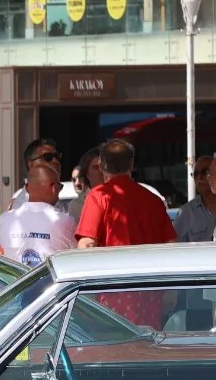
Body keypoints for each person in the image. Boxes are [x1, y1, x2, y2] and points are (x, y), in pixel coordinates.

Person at [75, 139, 176, 329]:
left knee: (114, 349)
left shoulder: (98, 197)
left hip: (112, 289)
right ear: (131, 164)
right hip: (150, 290)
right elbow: (171, 244)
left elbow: (87, 245)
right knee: (145, 349)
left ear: (102, 165)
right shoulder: (153, 200)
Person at [0, 166, 77, 266]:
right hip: (50, 281)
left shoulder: (4, 219)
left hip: (14, 280)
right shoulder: (66, 221)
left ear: (27, 188)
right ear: (54, 188)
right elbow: (75, 257)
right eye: (60, 186)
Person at [8, 138, 65, 209]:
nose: (55, 161)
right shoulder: (21, 206)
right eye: (48, 157)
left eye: (57, 156)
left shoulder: (62, 205)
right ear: (31, 165)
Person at [173, 156, 216, 242]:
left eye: (205, 172)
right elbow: (174, 247)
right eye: (196, 174)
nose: (199, 177)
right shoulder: (186, 212)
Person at [66, 147, 103, 221]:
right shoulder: (77, 205)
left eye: (104, 167)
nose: (101, 171)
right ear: (86, 173)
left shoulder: (118, 199)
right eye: (96, 167)